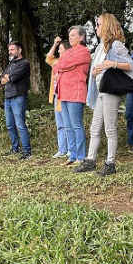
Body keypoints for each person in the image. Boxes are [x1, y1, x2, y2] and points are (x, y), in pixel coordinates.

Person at [74, 13, 133, 176]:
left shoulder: (115, 45)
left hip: (111, 90)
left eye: (99, 24)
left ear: (107, 26)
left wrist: (113, 63)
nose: (96, 28)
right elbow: (98, 69)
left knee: (110, 127)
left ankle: (110, 163)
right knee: (95, 127)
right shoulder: (101, 46)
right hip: (101, 89)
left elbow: (131, 66)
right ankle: (90, 160)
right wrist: (95, 72)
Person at [53, 26, 92, 166]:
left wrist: (64, 66)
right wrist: (64, 66)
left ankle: (81, 156)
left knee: (76, 125)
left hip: (76, 91)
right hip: (63, 92)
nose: (70, 37)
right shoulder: (69, 51)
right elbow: (57, 65)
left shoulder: (85, 52)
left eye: (74, 35)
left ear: (82, 37)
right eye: (69, 35)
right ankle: (72, 155)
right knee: (68, 126)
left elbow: (64, 64)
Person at [1, 41, 32, 159]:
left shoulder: (24, 63)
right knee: (9, 125)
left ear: (19, 50)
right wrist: (7, 78)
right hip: (8, 98)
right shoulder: (10, 64)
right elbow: (2, 79)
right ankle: (15, 148)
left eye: (12, 50)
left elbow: (13, 77)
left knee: (20, 125)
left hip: (18, 97)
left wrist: (8, 77)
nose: (10, 52)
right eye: (9, 50)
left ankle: (26, 151)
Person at [46, 38, 71, 159]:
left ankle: (71, 149)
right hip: (57, 96)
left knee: (68, 124)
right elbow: (48, 58)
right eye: (59, 49)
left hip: (66, 95)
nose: (59, 51)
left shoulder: (70, 62)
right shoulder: (56, 62)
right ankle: (62, 149)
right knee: (60, 125)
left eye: (61, 49)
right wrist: (55, 44)